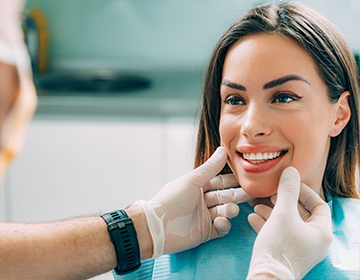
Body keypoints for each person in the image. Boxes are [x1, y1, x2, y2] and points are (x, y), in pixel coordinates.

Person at [117, 1, 360, 279]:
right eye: (235, 100)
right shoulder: (160, 246)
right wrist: (139, 228)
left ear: (339, 115)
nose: (251, 126)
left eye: (283, 97)